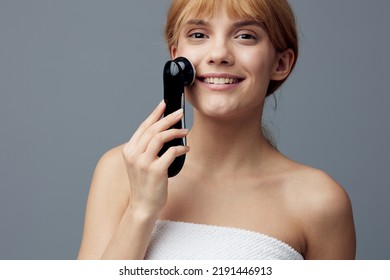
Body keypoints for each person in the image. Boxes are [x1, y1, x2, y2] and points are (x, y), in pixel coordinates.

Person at [77, 0, 356, 260]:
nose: (219, 54)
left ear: (280, 63)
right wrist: (141, 209)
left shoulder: (320, 202)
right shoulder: (120, 171)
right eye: (199, 35)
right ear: (176, 58)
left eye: (245, 35)